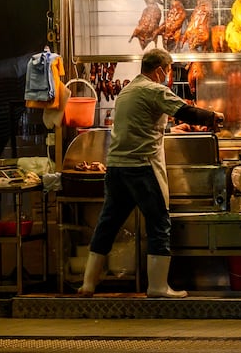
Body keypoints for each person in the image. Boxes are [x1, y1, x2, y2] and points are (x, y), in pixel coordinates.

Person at [77, 49, 224, 298]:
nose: (167, 76)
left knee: (108, 223)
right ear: (159, 70)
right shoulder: (153, 90)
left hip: (116, 167)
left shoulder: (127, 91)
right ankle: (157, 287)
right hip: (141, 166)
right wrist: (214, 117)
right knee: (159, 223)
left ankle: (88, 283)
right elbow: (184, 111)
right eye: (167, 71)